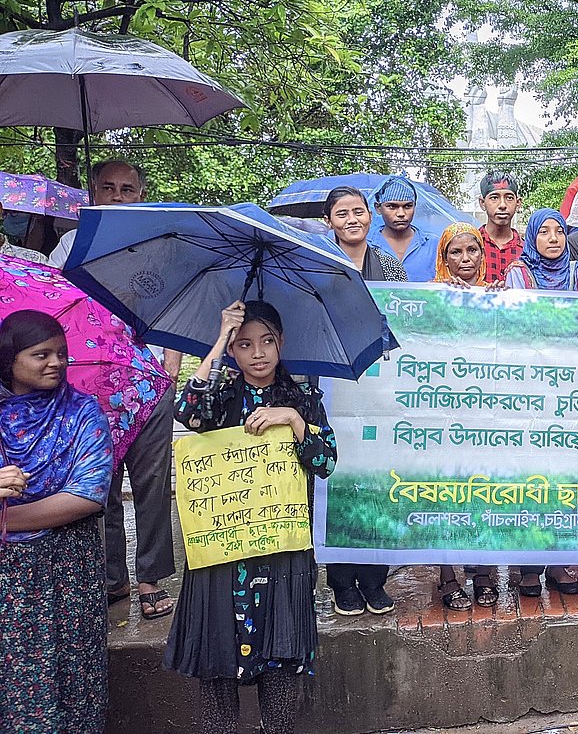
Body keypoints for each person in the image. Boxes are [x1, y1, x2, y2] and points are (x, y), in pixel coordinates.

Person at [164, 300, 336, 734]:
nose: (257, 353)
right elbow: (187, 412)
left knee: (280, 674)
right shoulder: (221, 397)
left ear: (281, 343)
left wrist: (294, 420)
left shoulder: (304, 399)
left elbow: (325, 461)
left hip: (281, 554)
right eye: (244, 344)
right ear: (233, 351)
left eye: (267, 342)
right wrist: (220, 336)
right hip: (222, 555)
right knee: (217, 673)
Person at [49, 158, 180, 619]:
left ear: (140, 195)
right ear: (93, 193)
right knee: (97, 486)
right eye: (109, 189)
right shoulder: (69, 246)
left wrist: (171, 369)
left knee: (151, 485)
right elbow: (53, 315)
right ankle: (110, 580)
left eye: (128, 190)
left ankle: (150, 579)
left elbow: (173, 313)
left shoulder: (158, 248)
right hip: (85, 389)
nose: (119, 197)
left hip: (147, 384)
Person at [0, 310, 112, 734]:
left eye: (62, 354)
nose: (56, 363)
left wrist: (6, 520)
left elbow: (87, 494)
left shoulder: (83, 412)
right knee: (17, 679)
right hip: (10, 578)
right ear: (9, 359)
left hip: (70, 570)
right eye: (41, 354)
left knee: (74, 673)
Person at [322, 186, 403, 616]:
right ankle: (341, 581)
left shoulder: (388, 264)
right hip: (332, 383)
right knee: (340, 477)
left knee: (379, 476)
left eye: (358, 211)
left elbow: (409, 315)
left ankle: (375, 579)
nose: (352, 219)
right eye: (342, 213)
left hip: (380, 379)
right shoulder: (317, 261)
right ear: (329, 221)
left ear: (370, 216)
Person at [505, 208, 578, 596]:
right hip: (528, 389)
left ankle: (558, 563)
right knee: (530, 478)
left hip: (572, 387)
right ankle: (527, 566)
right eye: (545, 232)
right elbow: (510, 328)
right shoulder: (517, 275)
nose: (554, 238)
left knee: (566, 477)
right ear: (532, 238)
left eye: (560, 231)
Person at [431, 222, 501, 610]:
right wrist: (443, 300)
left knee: (485, 488)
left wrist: (501, 305)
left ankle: (485, 573)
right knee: (446, 489)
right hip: (444, 411)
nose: (465, 260)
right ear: (444, 258)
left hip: (487, 413)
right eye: (455, 253)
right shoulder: (430, 295)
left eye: (472, 252)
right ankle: (447, 575)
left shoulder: (499, 293)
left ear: (482, 254)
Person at [369, 176, 438, 282]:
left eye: (407, 206)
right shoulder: (366, 245)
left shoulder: (433, 245)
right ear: (378, 208)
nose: (401, 214)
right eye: (392, 206)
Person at [478, 171, 523, 285]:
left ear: (518, 203)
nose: (502, 205)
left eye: (509, 198)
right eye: (494, 198)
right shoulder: (471, 246)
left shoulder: (527, 250)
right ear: (482, 203)